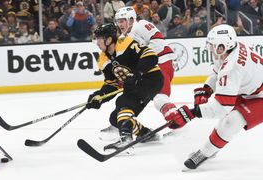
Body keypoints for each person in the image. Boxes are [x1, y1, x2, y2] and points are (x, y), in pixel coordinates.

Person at [164, 24, 263, 170]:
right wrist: (206, 89)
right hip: (252, 91)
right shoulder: (229, 50)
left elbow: (222, 108)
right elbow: (217, 71)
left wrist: (191, 113)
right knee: (228, 121)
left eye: (212, 45)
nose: (209, 48)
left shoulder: (232, 68)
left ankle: (205, 153)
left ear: (222, 46)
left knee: (232, 121)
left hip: (258, 95)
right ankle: (212, 148)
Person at [100, 6, 177, 139]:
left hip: (161, 62)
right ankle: (121, 122)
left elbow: (158, 42)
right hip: (148, 69)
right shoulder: (123, 38)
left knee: (159, 97)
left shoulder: (141, 25)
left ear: (131, 19)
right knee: (132, 96)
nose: (119, 24)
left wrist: (141, 64)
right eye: (118, 21)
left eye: (122, 20)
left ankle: (178, 123)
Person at [86, 23, 164, 152]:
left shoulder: (126, 44)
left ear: (109, 40)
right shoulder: (103, 59)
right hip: (132, 86)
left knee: (124, 102)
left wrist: (137, 73)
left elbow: (151, 56)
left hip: (151, 79)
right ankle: (146, 134)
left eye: (99, 39)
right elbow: (112, 84)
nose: (96, 42)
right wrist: (99, 96)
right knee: (115, 118)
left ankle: (126, 138)